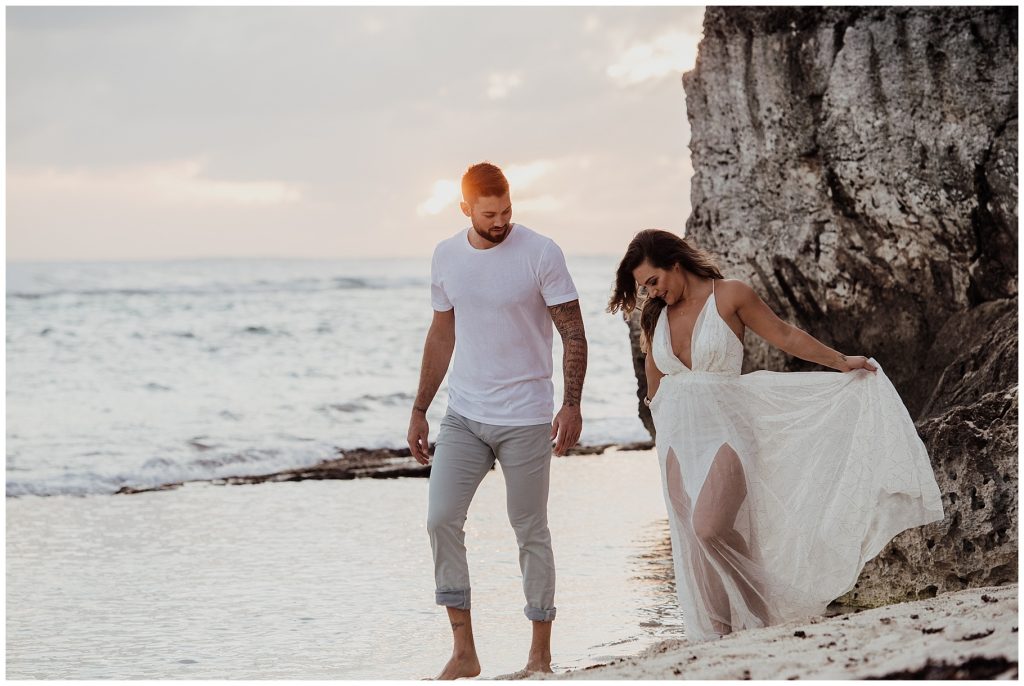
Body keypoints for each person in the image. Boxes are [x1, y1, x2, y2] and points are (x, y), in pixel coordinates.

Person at [607, 229, 944, 643]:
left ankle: (760, 608)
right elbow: (654, 389)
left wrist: (840, 363)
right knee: (696, 541)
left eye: (653, 281)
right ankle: (720, 634)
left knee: (710, 527)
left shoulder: (729, 295)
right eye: (643, 287)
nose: (651, 292)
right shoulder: (655, 315)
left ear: (674, 264)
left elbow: (785, 335)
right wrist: (662, 440)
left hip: (727, 430)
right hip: (677, 439)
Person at [408, 162, 587, 679]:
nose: (501, 221)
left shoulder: (540, 252)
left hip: (527, 417)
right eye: (489, 214)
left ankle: (540, 655)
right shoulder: (445, 256)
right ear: (465, 208)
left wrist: (571, 403)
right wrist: (420, 408)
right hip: (463, 415)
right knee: (441, 519)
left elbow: (573, 333)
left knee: (529, 529)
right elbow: (442, 335)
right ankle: (464, 652)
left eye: (507, 210)